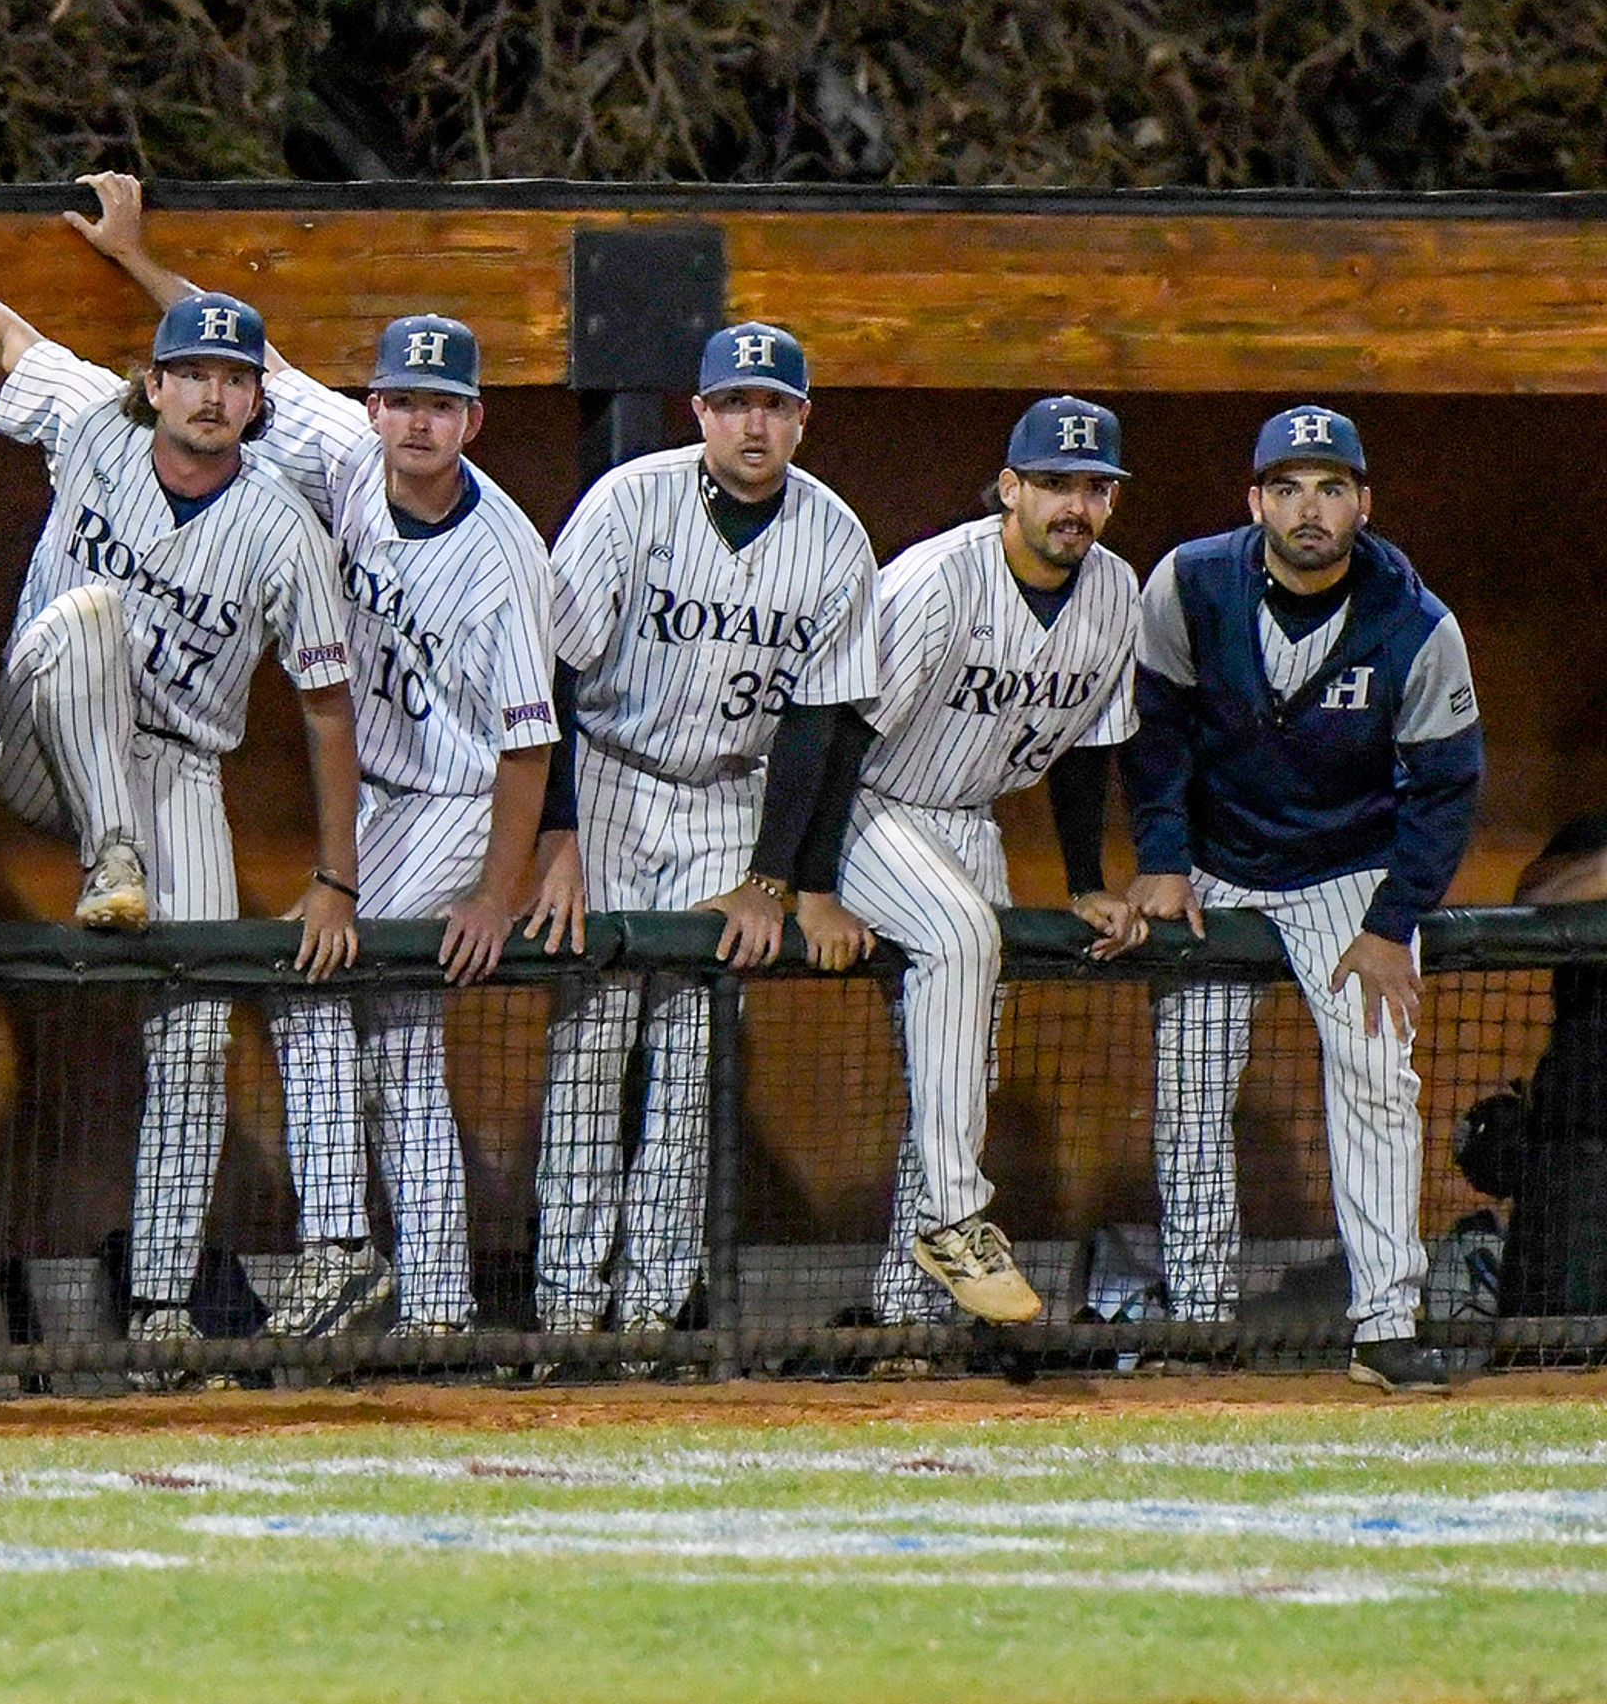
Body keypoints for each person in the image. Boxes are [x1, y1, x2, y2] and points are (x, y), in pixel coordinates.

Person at [0, 173, 361, 1363]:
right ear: (155, 383)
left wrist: (335, 875)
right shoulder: (94, 422)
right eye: (194, 374)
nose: (214, 395)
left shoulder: (282, 523)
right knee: (89, 621)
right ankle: (106, 852)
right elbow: (8, 338)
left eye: (236, 379)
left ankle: (163, 1298)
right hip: (35, 733)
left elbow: (328, 708)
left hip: (176, 768)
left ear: (254, 399)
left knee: (195, 1027)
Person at [62, 178, 552, 1340]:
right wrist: (136, 259)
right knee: (400, 1041)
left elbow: (534, 742)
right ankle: (435, 1305)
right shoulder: (340, 453)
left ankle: (339, 1241)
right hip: (383, 790)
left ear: (474, 421)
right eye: (402, 401)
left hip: (460, 791)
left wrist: (497, 888)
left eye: (445, 405)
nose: (420, 423)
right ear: (374, 408)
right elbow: (240, 360)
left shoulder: (506, 558)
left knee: (310, 977)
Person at [534, 322, 879, 1346]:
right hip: (609, 776)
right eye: (735, 403)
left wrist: (774, 881)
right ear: (700, 413)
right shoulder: (627, 503)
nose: (754, 422)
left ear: (803, 420)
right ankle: (563, 1308)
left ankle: (650, 1316)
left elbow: (825, 723)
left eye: (774, 405)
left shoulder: (834, 538)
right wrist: (557, 835)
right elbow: (549, 674)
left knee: (689, 1063)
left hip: (735, 793)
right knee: (589, 1050)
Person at [1122, 405, 1479, 1394]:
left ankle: (1386, 1324)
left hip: (1347, 871)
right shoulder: (1189, 582)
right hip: (1217, 865)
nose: (1308, 508)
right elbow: (1156, 735)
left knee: (1374, 1074)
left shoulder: (1416, 620)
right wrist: (1161, 856)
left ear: (1364, 503)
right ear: (1255, 501)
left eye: (1329, 488)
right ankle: (1197, 1318)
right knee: (1191, 1089)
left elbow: (1448, 786)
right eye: (1287, 487)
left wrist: (1390, 922)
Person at [815, 397, 1148, 1335]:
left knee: (955, 1062)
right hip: (864, 803)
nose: (1072, 504)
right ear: (1010, 488)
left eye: (1092, 486)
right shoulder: (937, 579)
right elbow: (835, 733)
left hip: (967, 820)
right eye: (1052, 483)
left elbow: (1091, 747)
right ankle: (959, 1218)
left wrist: (1085, 878)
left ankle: (904, 1316)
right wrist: (803, 884)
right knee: (964, 938)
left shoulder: (1115, 590)